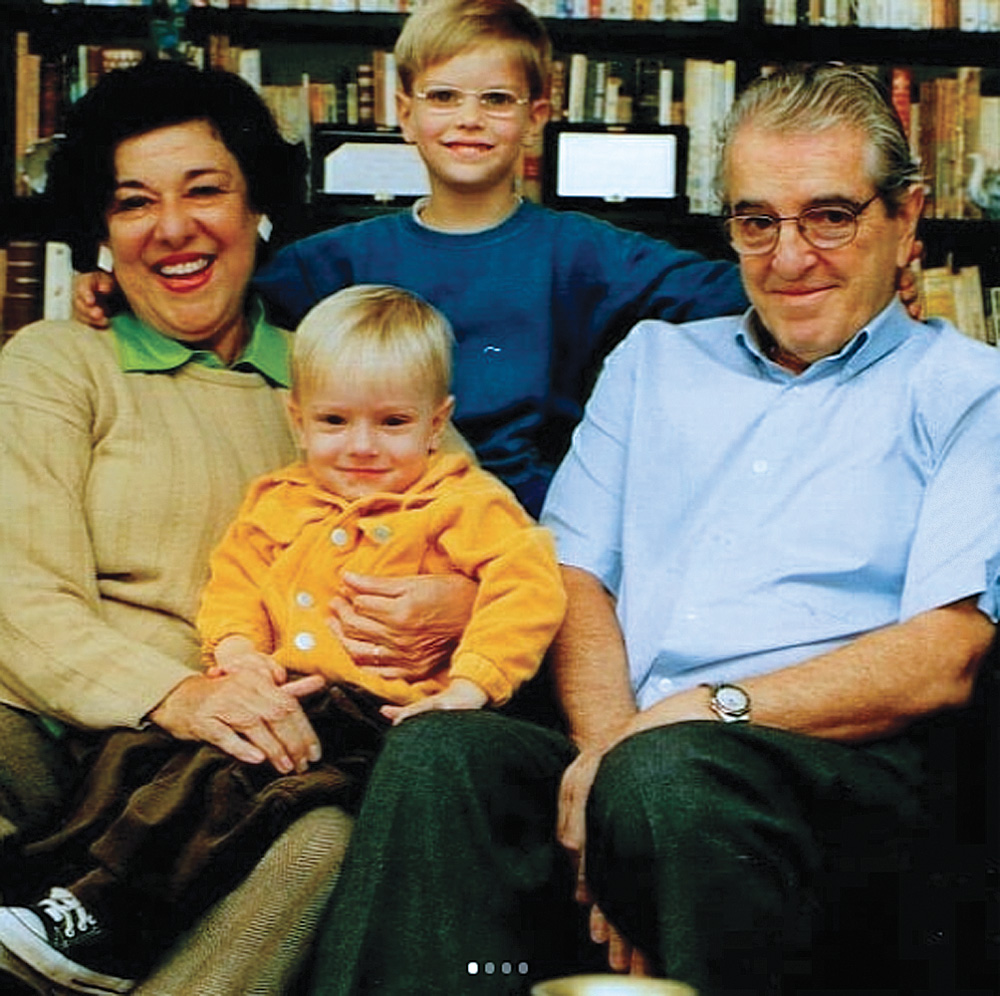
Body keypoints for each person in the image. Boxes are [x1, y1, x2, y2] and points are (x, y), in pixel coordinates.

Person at [300, 64, 1000, 996]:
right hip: (628, 737)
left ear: (907, 218)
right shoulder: (655, 361)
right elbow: (576, 575)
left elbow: (945, 655)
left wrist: (692, 722)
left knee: (667, 776)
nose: (789, 257)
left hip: (831, 771)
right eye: (757, 221)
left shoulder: (971, 392)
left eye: (830, 216)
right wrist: (608, 758)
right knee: (442, 755)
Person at [0, 59, 458, 996]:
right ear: (101, 230)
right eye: (134, 203)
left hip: (263, 757)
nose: (173, 227)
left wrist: (454, 599)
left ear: (259, 209)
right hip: (75, 736)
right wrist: (176, 693)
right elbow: (16, 595)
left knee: (322, 841)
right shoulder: (58, 362)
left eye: (205, 190)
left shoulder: (336, 381)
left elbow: (480, 524)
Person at [0, 283, 565, 994]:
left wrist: (470, 683)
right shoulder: (280, 498)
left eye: (392, 423)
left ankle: (104, 925)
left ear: (436, 424)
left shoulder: (461, 501)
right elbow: (233, 581)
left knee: (232, 794)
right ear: (297, 420)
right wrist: (235, 653)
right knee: (146, 767)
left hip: (380, 718)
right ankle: (66, 903)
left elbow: (530, 585)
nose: (361, 446)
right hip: (284, 701)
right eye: (334, 421)